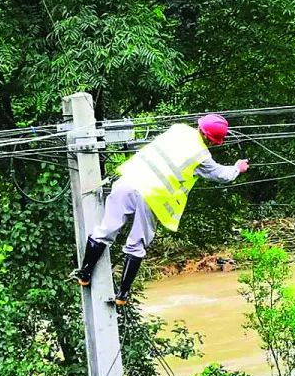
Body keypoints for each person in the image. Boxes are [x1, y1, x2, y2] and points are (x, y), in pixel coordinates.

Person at [74, 113, 249, 305]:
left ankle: (85, 272)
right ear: (209, 138)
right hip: (152, 196)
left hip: (130, 179)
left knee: (106, 229)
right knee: (137, 243)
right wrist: (236, 168)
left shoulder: (178, 129)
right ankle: (122, 294)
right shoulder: (202, 156)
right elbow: (221, 175)